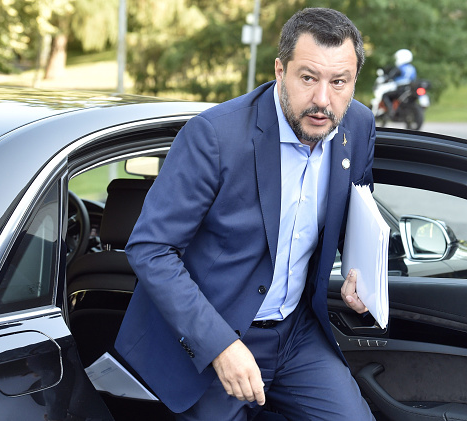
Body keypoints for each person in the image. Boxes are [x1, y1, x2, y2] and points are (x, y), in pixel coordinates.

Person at [115, 7, 376, 421]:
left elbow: (353, 211)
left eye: (339, 82)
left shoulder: (357, 125)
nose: (323, 100)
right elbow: (151, 248)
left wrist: (359, 270)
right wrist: (219, 345)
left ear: (353, 81)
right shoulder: (216, 136)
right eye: (308, 78)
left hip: (296, 334)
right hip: (211, 338)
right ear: (280, 69)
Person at [381, 48, 417, 117]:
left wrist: (386, 79)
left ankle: (390, 110)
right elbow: (413, 79)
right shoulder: (412, 68)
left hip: (400, 89)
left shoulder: (399, 68)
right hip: (409, 88)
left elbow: (390, 76)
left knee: (385, 95)